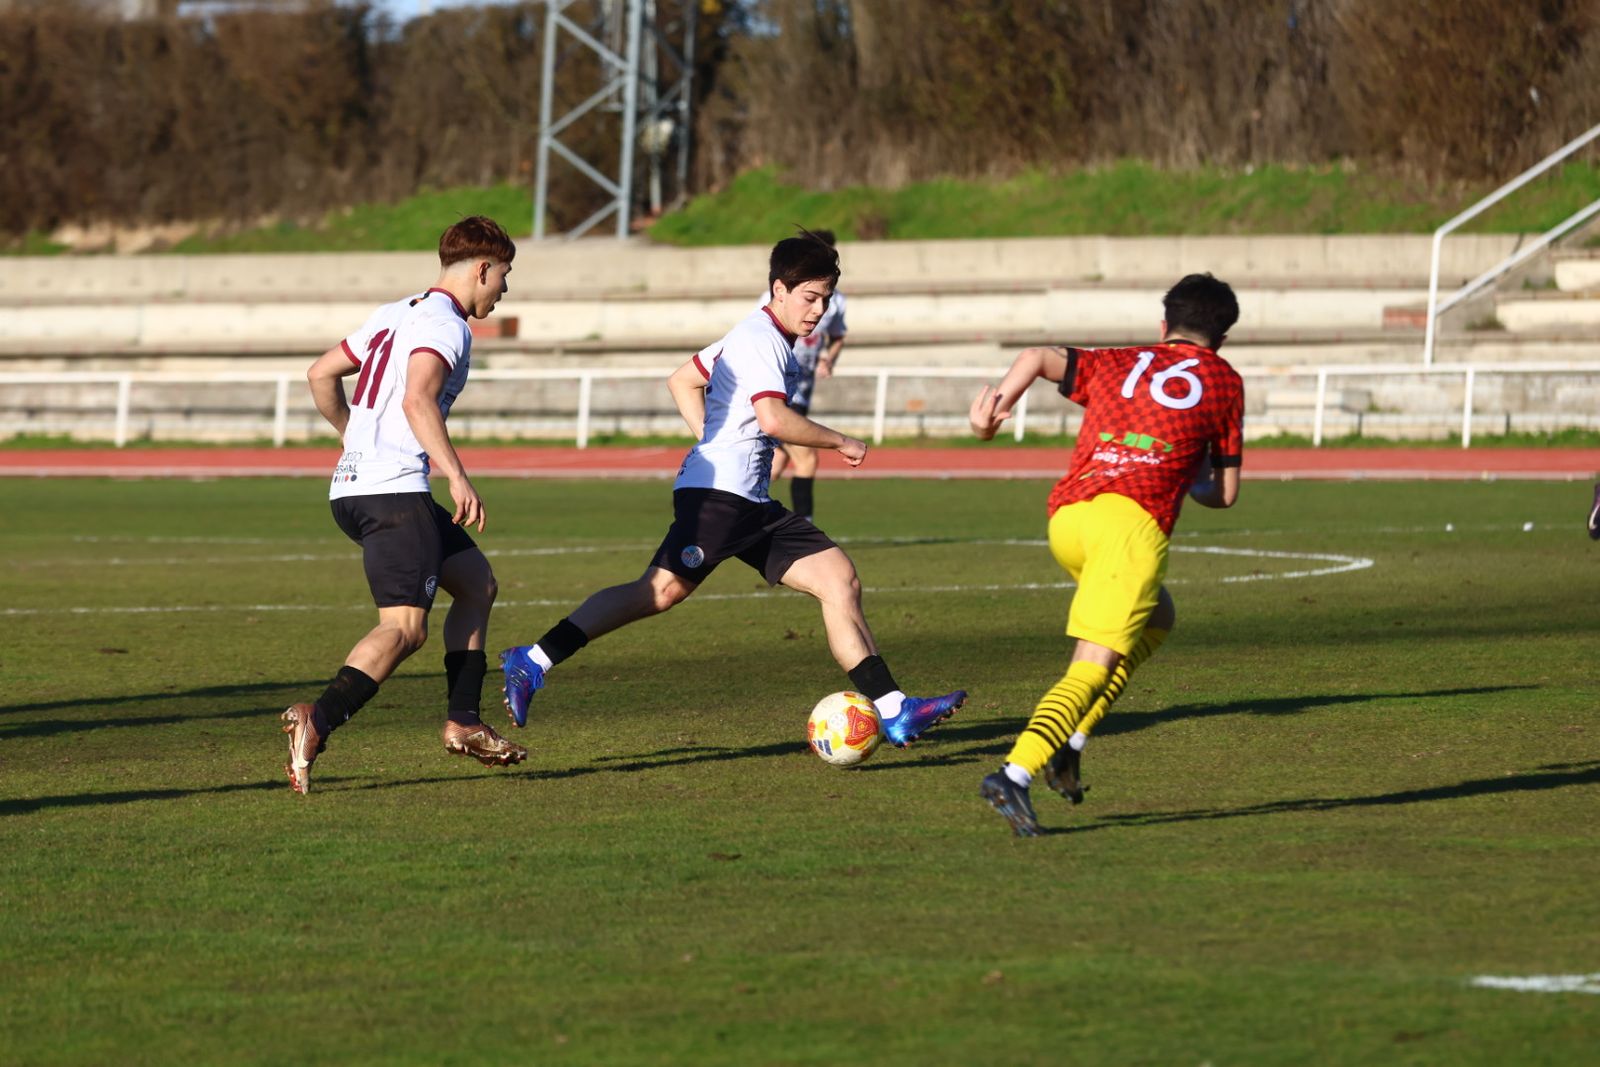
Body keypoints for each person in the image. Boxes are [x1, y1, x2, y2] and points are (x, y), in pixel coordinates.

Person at [498, 230, 964, 748]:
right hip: (720, 502)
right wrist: (839, 441)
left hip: (748, 502)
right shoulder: (762, 339)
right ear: (778, 290)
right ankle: (533, 659)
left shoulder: (752, 334)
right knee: (656, 592)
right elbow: (773, 417)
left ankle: (895, 709)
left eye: (826, 299)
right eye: (810, 297)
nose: (819, 311)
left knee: (839, 579)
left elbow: (682, 380)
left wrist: (713, 442)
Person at [966, 273, 1245, 836]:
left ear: (1163, 325)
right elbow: (1225, 494)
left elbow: (1038, 356)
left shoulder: (1121, 359)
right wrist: (1184, 478)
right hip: (1129, 529)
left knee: (1157, 616)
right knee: (1091, 665)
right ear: (1222, 336)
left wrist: (991, 411)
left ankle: (1069, 743)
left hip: (1070, 517)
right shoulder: (1224, 381)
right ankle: (1014, 774)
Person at [281, 215, 526, 795]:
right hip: (393, 491)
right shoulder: (447, 324)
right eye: (504, 277)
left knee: (476, 584)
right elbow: (419, 399)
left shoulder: (393, 313)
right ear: (482, 268)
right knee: (405, 628)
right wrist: (458, 478)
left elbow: (321, 374)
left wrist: (354, 436)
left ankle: (464, 721)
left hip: (358, 486)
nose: (504, 290)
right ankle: (317, 719)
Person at [757, 229, 849, 522]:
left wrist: (828, 360)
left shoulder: (834, 301)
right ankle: (806, 529)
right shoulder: (775, 300)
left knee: (779, 460)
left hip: (803, 389)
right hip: (778, 393)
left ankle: (736, 510)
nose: (818, 309)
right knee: (807, 458)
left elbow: (837, 337)